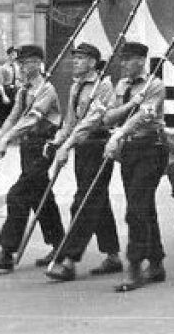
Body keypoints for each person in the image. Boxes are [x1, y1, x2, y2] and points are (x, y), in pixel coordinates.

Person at [0, 44, 66, 272]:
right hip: (28, 148)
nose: (21, 68)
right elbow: (11, 118)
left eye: (25, 63)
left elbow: (30, 120)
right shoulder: (23, 90)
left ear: (37, 64)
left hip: (43, 147)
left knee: (17, 195)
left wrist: (7, 140)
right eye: (20, 63)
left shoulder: (46, 90)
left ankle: (7, 252)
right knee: (40, 197)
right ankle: (60, 245)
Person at [45, 43, 122, 282]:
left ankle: (69, 260)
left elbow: (91, 121)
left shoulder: (104, 87)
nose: (75, 62)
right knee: (97, 200)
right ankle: (113, 255)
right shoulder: (75, 87)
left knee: (84, 201)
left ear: (92, 62)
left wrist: (67, 145)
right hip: (82, 149)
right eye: (74, 58)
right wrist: (59, 140)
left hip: (99, 146)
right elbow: (70, 121)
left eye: (80, 58)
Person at [103, 41, 168, 292]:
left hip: (151, 148)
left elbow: (146, 116)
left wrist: (118, 133)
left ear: (141, 60)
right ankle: (157, 261)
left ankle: (134, 265)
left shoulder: (155, 85)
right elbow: (109, 116)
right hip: (128, 151)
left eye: (129, 59)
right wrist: (130, 105)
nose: (124, 64)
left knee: (136, 209)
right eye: (122, 59)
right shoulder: (121, 86)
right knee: (144, 206)